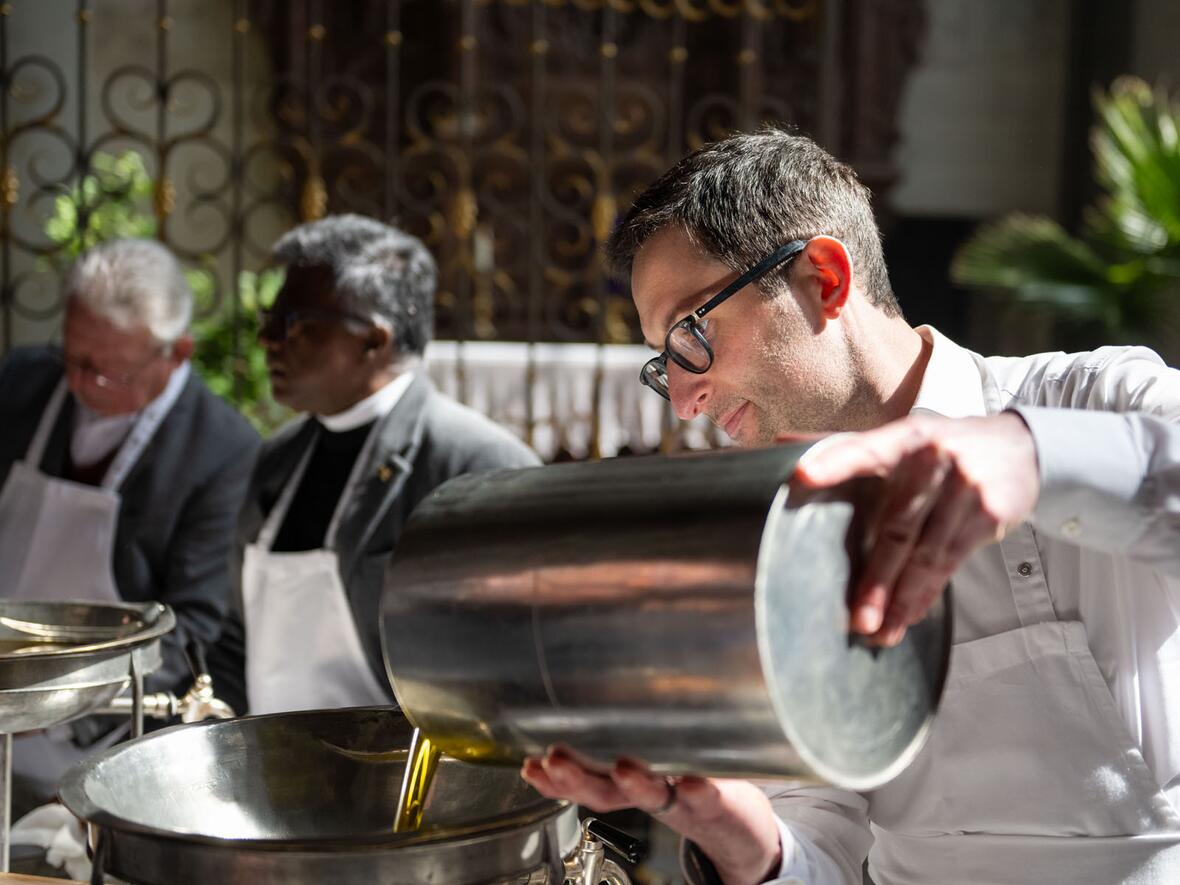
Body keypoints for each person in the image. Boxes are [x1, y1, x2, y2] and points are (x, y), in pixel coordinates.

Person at [521, 129, 1180, 885]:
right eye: (661, 357)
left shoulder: (1087, 399)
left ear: (824, 279)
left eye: (692, 331)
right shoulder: (779, 530)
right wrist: (746, 840)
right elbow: (819, 848)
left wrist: (1033, 456)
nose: (682, 395)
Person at [209, 215, 539, 716]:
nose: (267, 340)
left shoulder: (477, 466)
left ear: (374, 340)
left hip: (408, 784)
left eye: (295, 323)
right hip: (272, 775)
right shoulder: (279, 459)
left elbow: (514, 666)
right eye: (268, 319)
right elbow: (238, 636)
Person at [0, 238, 260, 807]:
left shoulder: (220, 448)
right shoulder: (20, 383)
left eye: (108, 372)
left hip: (104, 736)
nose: (82, 383)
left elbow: (191, 623)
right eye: (72, 357)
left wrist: (54, 705)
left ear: (178, 352)